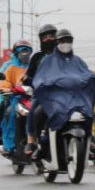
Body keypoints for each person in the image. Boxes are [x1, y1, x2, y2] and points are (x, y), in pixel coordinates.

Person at [26, 28, 95, 159]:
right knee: (38, 112)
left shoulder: (77, 60)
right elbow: (39, 78)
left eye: (68, 40)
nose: (65, 43)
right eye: (62, 40)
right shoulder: (46, 60)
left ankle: (87, 141)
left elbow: (85, 73)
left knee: (89, 111)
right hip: (53, 96)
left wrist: (94, 80)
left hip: (75, 96)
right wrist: (48, 83)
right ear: (58, 42)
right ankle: (39, 144)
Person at [21, 24, 59, 155]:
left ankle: (88, 138)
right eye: (45, 37)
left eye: (52, 36)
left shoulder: (65, 55)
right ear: (41, 39)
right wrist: (27, 79)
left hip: (64, 92)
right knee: (32, 110)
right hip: (43, 93)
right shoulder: (37, 57)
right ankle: (31, 141)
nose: (49, 39)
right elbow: (29, 75)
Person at [0, 39, 33, 156]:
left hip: (33, 98)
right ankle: (7, 143)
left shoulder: (34, 67)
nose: (24, 53)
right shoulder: (10, 68)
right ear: (16, 53)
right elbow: (4, 82)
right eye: (22, 51)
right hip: (15, 98)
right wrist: (6, 89)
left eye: (27, 51)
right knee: (6, 112)